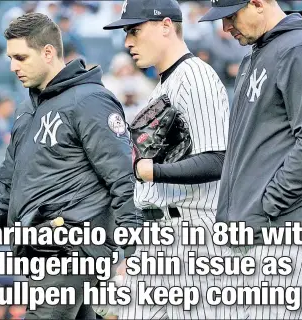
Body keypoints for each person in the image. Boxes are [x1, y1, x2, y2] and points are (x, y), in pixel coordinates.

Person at [0, 12, 143, 320]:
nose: (13, 66)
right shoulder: (28, 110)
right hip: (43, 254)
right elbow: (5, 185)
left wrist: (134, 252)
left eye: (21, 57)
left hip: (73, 252)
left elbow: (124, 180)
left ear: (48, 52)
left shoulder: (90, 100)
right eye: (11, 58)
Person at [199, 0, 302, 319]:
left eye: (231, 16)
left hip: (285, 228)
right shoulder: (259, 52)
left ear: (258, 3)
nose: (225, 28)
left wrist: (265, 207)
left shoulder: (300, 49)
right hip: (253, 230)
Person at [101, 0, 230, 318]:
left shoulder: (195, 78)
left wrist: (152, 171)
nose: (128, 41)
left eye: (134, 30)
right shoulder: (164, 84)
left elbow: (218, 159)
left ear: (165, 26)